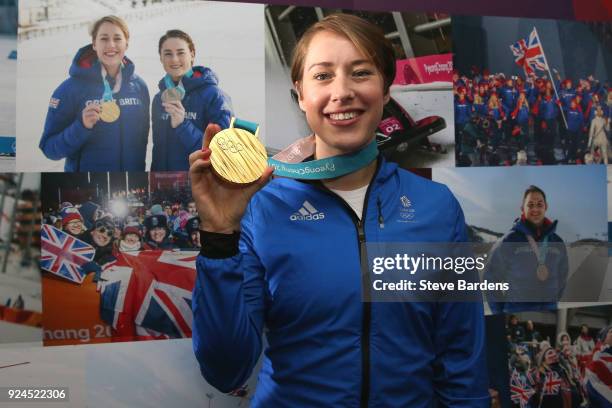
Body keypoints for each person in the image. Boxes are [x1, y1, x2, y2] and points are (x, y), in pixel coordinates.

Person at [189, 14, 488, 406]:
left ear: (385, 89)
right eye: (323, 75)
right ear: (299, 93)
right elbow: (226, 369)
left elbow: (461, 357)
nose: (342, 91)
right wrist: (218, 238)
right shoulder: (263, 208)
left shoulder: (438, 206)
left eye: (361, 73)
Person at [39, 16, 149, 172]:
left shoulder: (139, 87)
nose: (111, 45)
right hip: (89, 183)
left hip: (129, 182)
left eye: (117, 38)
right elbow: (49, 148)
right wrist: (81, 127)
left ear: (127, 43)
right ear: (94, 44)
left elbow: (141, 142)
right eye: (104, 38)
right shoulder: (69, 89)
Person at [151, 30, 232, 171]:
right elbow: (158, 149)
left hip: (199, 185)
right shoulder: (159, 99)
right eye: (168, 54)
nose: (174, 59)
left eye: (181, 53)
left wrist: (183, 125)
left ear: (192, 54)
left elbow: (221, 152)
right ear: (161, 58)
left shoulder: (214, 96)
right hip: (164, 185)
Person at [485, 185, 569, 314]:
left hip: (549, 312)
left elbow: (562, 277)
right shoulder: (508, 241)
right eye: (530, 205)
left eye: (539, 204)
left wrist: (552, 302)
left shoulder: (557, 242)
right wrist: (499, 313)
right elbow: (491, 280)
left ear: (546, 207)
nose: (535, 209)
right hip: (516, 312)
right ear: (522, 209)